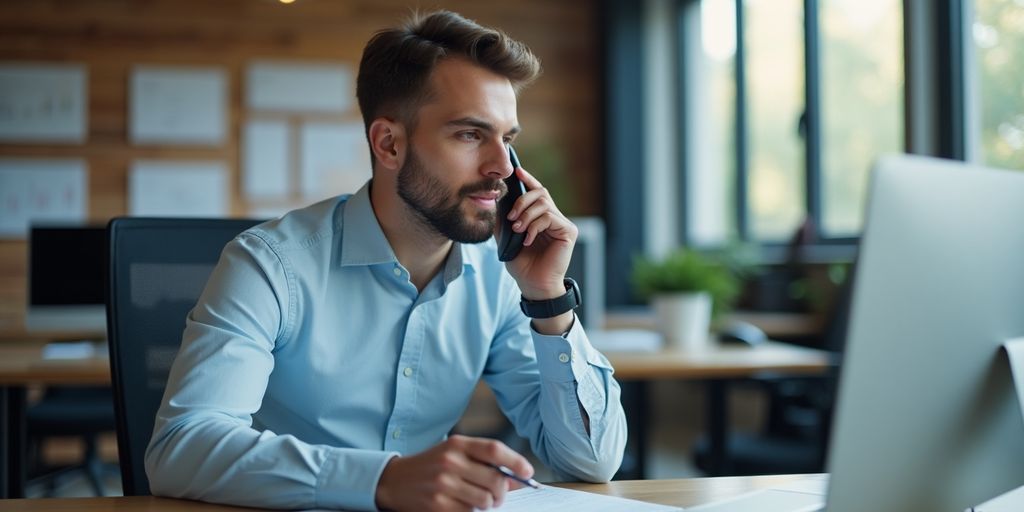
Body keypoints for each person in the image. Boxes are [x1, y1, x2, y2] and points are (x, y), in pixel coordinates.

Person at [145, 10, 626, 512]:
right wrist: (383, 480)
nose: (502, 168)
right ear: (389, 143)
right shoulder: (270, 267)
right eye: (469, 135)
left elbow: (591, 463)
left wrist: (548, 299)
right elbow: (181, 448)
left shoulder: (498, 278)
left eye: (507, 139)